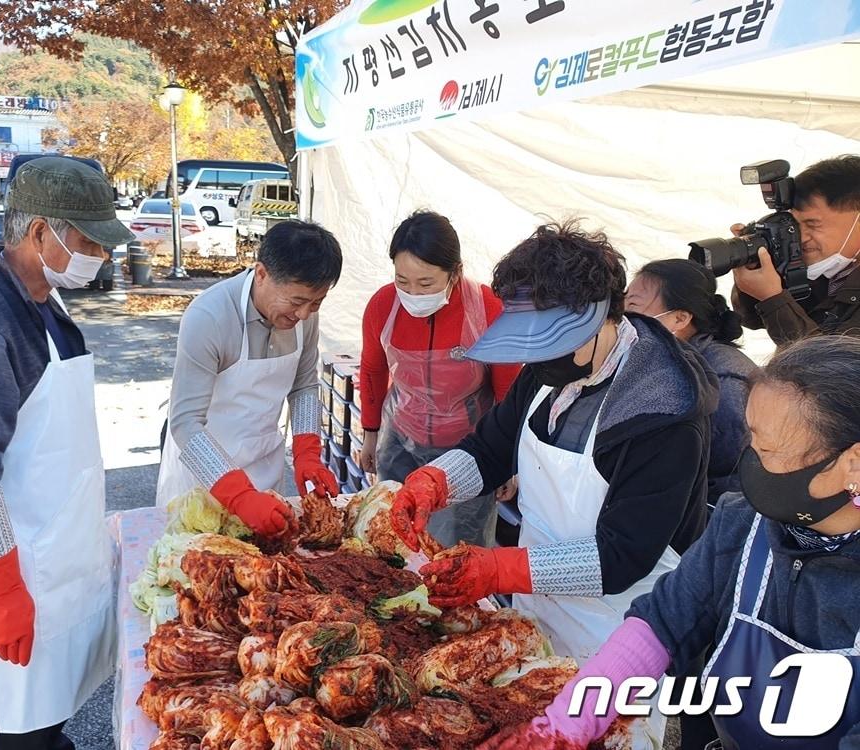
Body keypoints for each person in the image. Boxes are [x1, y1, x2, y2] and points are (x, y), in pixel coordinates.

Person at [390, 221, 719, 742]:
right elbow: (492, 448)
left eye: (549, 344)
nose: (535, 360)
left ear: (598, 320)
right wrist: (434, 481)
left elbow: (621, 555)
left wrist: (497, 567)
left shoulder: (664, 414)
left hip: (617, 628)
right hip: (537, 603)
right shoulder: (552, 369)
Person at [482, 335, 860, 750]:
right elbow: (661, 624)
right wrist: (565, 724)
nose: (749, 459)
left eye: (766, 447)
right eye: (751, 439)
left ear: (852, 464)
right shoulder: (742, 524)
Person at [0, 157, 135, 749]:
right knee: (5, 722)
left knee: (48, 707)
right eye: (90, 240)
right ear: (40, 232)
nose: (103, 254)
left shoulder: (40, 298)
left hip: (57, 547)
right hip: (13, 563)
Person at [155, 219, 343, 538]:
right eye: (296, 302)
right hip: (202, 479)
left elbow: (304, 386)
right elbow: (185, 421)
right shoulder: (210, 316)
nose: (304, 315)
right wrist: (239, 496)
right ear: (261, 274)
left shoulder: (306, 316)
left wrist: (307, 452)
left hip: (263, 470)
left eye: (317, 303)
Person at [359, 211, 520, 547]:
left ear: (455, 273)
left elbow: (510, 393)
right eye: (403, 281)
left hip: (468, 449)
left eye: (426, 283)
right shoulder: (382, 305)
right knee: (393, 539)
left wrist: (511, 462)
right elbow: (373, 370)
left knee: (455, 551)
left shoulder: (487, 308)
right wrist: (370, 434)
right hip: (401, 440)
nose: (414, 294)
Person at [626, 259, 758, 508]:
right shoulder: (657, 360)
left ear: (680, 318)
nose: (622, 316)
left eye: (632, 305)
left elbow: (733, 477)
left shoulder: (724, 380)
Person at [733, 154, 860, 345]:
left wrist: (774, 298)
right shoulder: (828, 272)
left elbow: (831, 369)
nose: (801, 237)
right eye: (795, 224)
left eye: (813, 224)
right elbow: (752, 319)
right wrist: (759, 266)